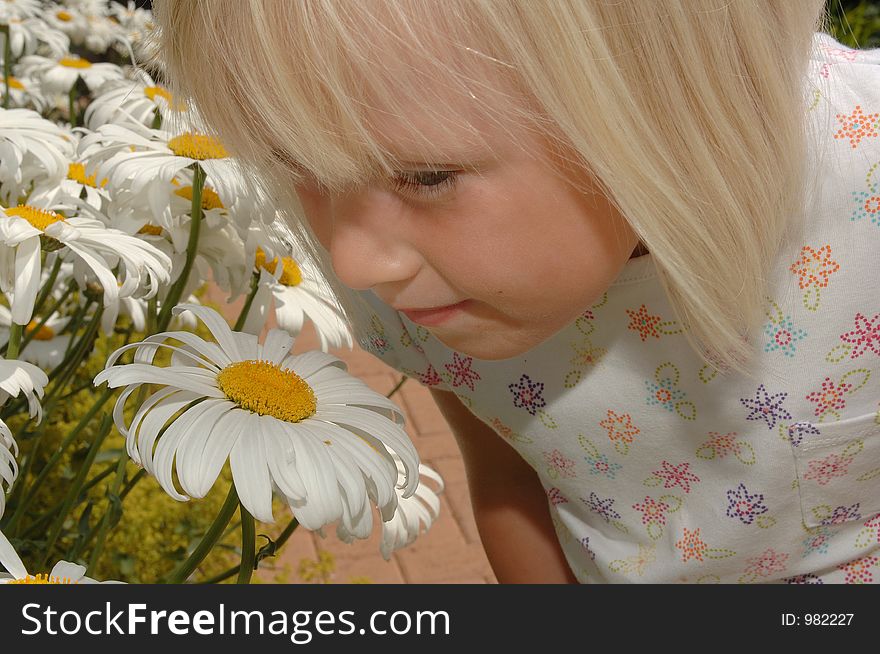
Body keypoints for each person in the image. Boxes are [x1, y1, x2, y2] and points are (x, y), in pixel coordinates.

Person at [154, 0, 880, 583]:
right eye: (295, 164)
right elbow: (509, 471)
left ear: (665, 103)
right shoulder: (427, 288)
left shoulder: (862, 179)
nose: (351, 264)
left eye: (427, 177)